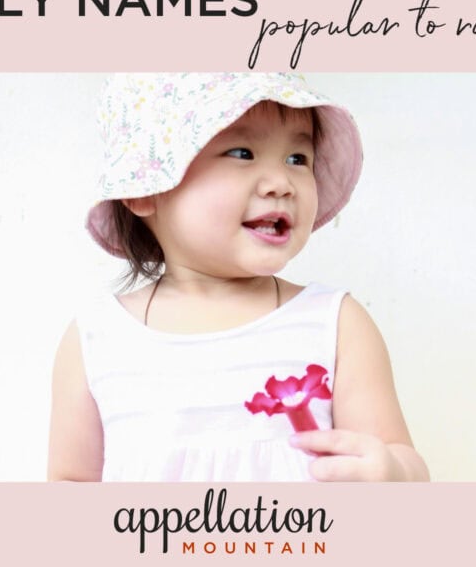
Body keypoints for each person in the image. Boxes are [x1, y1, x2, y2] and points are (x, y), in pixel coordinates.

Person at [47, 72, 429, 482]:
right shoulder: (99, 338)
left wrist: (393, 473)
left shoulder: (335, 324)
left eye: (297, 159)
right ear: (146, 189)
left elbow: (399, 458)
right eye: (243, 152)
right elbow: (70, 482)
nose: (282, 183)